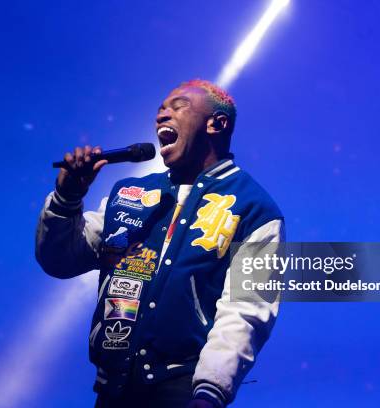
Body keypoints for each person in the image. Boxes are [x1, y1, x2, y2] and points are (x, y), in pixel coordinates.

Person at [35, 79, 285, 407]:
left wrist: (210, 391)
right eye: (159, 110)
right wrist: (67, 198)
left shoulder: (255, 209)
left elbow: (247, 310)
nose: (162, 116)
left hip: (184, 392)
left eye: (177, 106)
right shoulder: (127, 195)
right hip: (111, 391)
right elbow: (59, 261)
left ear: (217, 123)